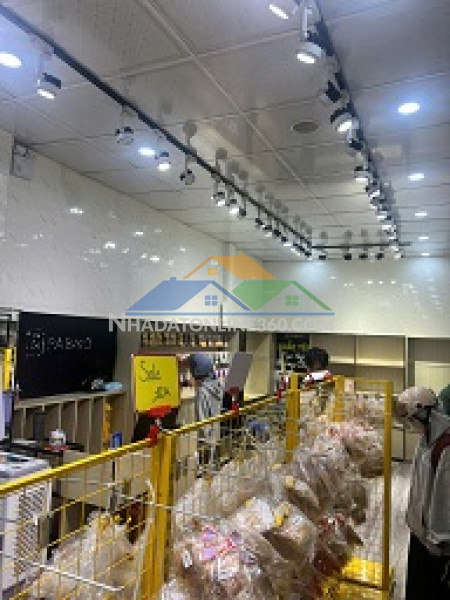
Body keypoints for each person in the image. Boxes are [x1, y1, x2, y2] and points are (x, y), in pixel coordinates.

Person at [396, 386, 450, 599]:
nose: (409, 423)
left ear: (424, 411)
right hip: (419, 536)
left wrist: (439, 542)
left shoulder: (445, 448)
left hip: (436, 548)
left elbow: (444, 503)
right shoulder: (425, 439)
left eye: (410, 417)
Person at [189, 353, 224, 466]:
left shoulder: (202, 392)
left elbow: (202, 422)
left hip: (207, 444)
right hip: (217, 437)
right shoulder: (219, 385)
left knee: (206, 471)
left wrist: (203, 444)